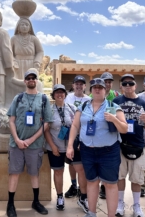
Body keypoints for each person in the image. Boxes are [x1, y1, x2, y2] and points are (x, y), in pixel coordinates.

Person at [67, 78, 128, 217]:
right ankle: (92, 213)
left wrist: (114, 119)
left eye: (100, 87)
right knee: (92, 182)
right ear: (91, 90)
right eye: (94, 87)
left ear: (105, 90)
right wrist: (70, 145)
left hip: (108, 151)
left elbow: (124, 129)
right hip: (87, 150)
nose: (97, 89)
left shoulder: (113, 107)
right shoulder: (83, 107)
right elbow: (75, 126)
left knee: (110, 185)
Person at [6, 69, 53, 217]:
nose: (31, 80)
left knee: (34, 173)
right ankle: (10, 203)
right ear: (25, 81)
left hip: (35, 144)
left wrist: (30, 140)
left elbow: (47, 123)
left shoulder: (43, 99)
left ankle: (36, 201)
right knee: (14, 173)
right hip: (16, 145)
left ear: (37, 80)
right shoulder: (18, 98)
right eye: (28, 78)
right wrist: (18, 139)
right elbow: (11, 120)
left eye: (33, 78)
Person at [45, 84, 89, 213]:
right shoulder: (50, 110)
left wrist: (81, 141)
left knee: (80, 170)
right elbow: (46, 130)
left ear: (65, 94)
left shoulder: (72, 108)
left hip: (73, 146)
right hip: (55, 146)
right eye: (57, 92)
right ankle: (60, 197)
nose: (60, 94)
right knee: (58, 172)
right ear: (53, 95)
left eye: (62, 92)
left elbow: (79, 126)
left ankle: (83, 197)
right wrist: (52, 146)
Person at [113, 74, 145, 217]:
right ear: (121, 87)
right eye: (125, 84)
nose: (128, 86)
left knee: (137, 178)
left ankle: (136, 205)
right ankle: (120, 204)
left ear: (135, 85)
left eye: (131, 83)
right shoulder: (116, 101)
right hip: (119, 144)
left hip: (138, 144)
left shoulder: (143, 103)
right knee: (120, 177)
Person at [64, 75, 91, 198]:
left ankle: (82, 188)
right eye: (77, 84)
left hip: (84, 133)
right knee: (71, 162)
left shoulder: (88, 100)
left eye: (81, 84)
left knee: (81, 164)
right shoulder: (68, 97)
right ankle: (73, 185)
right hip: (70, 132)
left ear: (85, 86)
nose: (79, 86)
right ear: (73, 85)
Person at [97, 72, 120, 200]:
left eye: (109, 82)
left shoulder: (116, 96)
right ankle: (102, 187)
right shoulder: (92, 95)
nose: (107, 84)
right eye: (105, 82)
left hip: (112, 133)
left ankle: (107, 188)